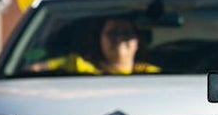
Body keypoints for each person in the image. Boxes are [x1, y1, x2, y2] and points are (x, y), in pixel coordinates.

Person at [26, 17, 159, 75]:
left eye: (126, 33)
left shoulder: (149, 73)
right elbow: (34, 70)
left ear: (138, 42)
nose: (119, 39)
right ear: (100, 39)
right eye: (112, 33)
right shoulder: (76, 64)